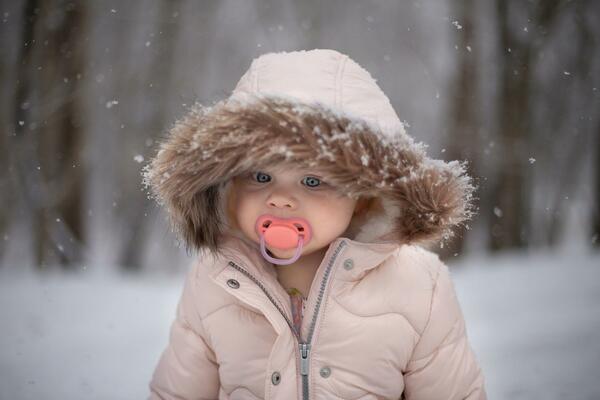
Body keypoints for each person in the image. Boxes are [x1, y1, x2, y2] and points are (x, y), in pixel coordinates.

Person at [142, 49, 487, 400]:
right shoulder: (213, 280)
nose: (280, 199)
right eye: (261, 176)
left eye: (312, 181)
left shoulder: (420, 288)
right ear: (229, 185)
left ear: (365, 195)